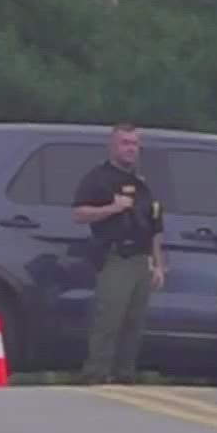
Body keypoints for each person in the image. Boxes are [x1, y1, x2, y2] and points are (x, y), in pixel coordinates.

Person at [72, 122, 166, 384]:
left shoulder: (142, 184)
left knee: (133, 323)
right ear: (112, 146)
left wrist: (158, 264)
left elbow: (155, 226)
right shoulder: (99, 178)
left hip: (141, 259)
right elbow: (79, 213)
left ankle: (125, 375)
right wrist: (112, 208)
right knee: (110, 319)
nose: (131, 149)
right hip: (116, 257)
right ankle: (96, 373)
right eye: (125, 143)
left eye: (135, 144)